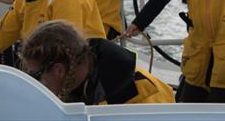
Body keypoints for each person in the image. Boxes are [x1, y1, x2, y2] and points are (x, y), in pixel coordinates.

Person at [22, 20, 175, 104]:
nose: (34, 83)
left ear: (59, 70)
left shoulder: (138, 97)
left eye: (36, 75)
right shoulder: (79, 86)